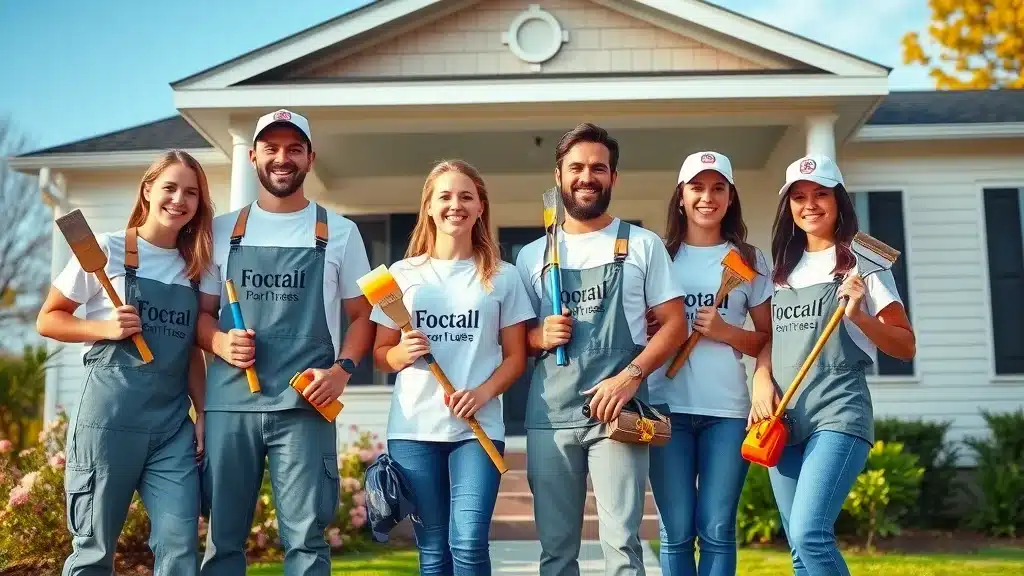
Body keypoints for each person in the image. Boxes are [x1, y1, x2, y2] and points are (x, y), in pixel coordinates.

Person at [195, 109, 375, 575]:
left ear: (310, 159)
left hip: (304, 407)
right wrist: (219, 344)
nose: (282, 158)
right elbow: (200, 316)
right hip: (230, 406)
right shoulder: (221, 231)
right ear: (253, 155)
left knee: (307, 544)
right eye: (271, 148)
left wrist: (342, 372)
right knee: (223, 540)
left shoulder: (339, 232)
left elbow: (361, 318)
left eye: (294, 149)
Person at [514, 123, 688, 576]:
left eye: (598, 168)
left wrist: (630, 377)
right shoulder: (532, 256)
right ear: (559, 176)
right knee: (555, 551)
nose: (586, 177)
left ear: (613, 178)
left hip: (618, 416)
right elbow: (513, 340)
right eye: (576, 167)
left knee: (622, 547)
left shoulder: (643, 246)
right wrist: (539, 336)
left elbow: (674, 324)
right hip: (550, 415)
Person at [37, 150, 215, 576]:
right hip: (108, 423)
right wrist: (105, 329)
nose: (179, 200)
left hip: (171, 427)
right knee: (94, 550)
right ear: (148, 189)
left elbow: (191, 349)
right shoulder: (105, 249)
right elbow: (49, 319)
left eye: (191, 193)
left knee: (179, 545)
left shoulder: (194, 268)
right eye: (170, 187)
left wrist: (203, 411)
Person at [750, 155, 916, 576]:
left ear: (839, 200)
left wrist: (860, 315)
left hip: (839, 413)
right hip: (783, 420)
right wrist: (761, 378)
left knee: (810, 534)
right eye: (799, 196)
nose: (810, 204)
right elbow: (770, 340)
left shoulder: (865, 264)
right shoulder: (780, 271)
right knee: (798, 550)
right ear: (788, 206)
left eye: (820, 194)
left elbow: (905, 345)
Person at [370, 159, 535, 575]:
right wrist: (401, 354)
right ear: (428, 206)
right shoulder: (401, 275)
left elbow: (517, 356)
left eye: (466, 196)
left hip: (477, 431)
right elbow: (381, 354)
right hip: (414, 430)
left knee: (468, 543)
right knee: (433, 553)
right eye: (444, 196)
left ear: (481, 207)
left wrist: (482, 393)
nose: (455, 205)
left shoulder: (503, 276)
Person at [644, 151, 773, 576]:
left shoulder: (750, 261)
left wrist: (724, 332)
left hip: (727, 413)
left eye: (718, 188)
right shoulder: (657, 257)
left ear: (731, 197)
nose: (707, 197)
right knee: (676, 530)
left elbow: (767, 340)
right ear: (680, 197)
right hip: (667, 409)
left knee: (717, 528)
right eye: (697, 187)